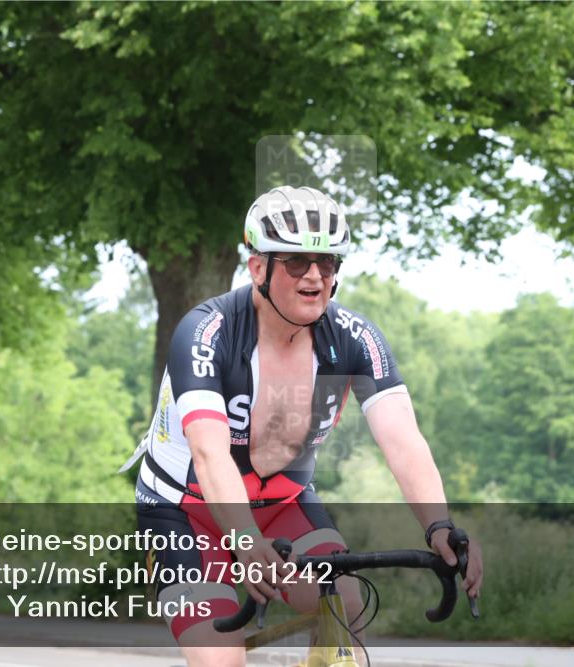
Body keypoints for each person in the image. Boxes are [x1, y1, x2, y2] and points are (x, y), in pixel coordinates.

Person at [121, 185, 483, 667]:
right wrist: (245, 541)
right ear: (258, 268)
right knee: (221, 658)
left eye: (327, 262)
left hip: (282, 503)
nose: (314, 275)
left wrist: (439, 525)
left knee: (345, 605)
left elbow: (403, 441)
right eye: (295, 262)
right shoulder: (208, 331)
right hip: (184, 510)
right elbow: (209, 453)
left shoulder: (354, 339)